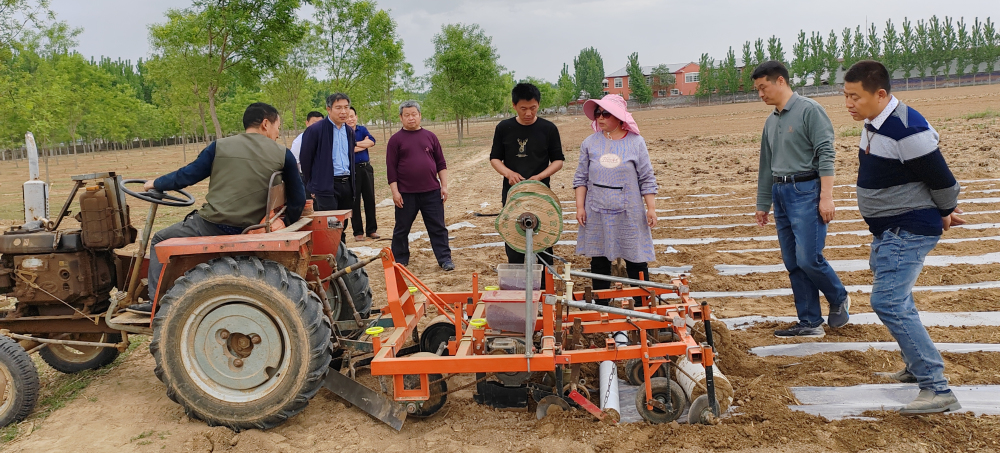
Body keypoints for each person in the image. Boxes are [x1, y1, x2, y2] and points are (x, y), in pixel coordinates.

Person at [843, 60, 964, 415]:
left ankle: (937, 387)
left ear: (880, 94)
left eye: (855, 97)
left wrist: (945, 209)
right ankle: (915, 367)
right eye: (846, 96)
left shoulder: (907, 130)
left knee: (889, 302)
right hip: (891, 228)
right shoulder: (874, 122)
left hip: (907, 229)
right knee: (900, 299)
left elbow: (943, 180)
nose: (848, 103)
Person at [130, 103, 305, 313]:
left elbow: (187, 175)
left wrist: (156, 183)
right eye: (278, 126)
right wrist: (284, 223)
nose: (278, 133)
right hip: (255, 228)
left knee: (160, 239)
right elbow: (298, 199)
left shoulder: (219, 146)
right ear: (266, 124)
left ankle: (156, 304)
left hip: (212, 225)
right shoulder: (283, 153)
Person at [751, 60, 850, 338]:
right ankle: (809, 321)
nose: (760, 94)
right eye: (757, 89)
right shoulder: (771, 121)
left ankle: (839, 296)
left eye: (763, 87)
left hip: (806, 191)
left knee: (808, 258)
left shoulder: (810, 110)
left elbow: (826, 154)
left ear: (781, 81)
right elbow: (766, 165)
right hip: (780, 192)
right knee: (793, 261)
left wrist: (826, 197)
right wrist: (763, 203)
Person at [573, 94, 657, 306]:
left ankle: (643, 306)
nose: (600, 118)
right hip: (597, 210)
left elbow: (646, 177)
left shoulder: (636, 143)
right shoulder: (589, 144)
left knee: (636, 259)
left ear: (620, 117)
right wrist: (580, 207)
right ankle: (601, 308)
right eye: (597, 113)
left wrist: (651, 208)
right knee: (599, 260)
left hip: (629, 211)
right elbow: (581, 178)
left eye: (606, 114)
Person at [490, 82, 564, 277]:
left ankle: (545, 282)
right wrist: (508, 173)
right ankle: (517, 281)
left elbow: (558, 160)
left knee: (543, 239)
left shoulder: (548, 128)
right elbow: (495, 158)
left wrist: (540, 177)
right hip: (513, 193)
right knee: (514, 238)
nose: (529, 113)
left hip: (541, 194)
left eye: (533, 108)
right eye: (523, 108)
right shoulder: (504, 128)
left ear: (538, 104)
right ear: (514, 106)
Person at [386, 100, 454, 271]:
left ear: (420, 115)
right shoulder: (395, 140)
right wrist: (395, 192)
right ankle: (400, 259)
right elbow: (391, 169)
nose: (411, 118)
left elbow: (441, 163)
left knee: (438, 227)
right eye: (407, 115)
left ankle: (445, 259)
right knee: (401, 228)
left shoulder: (430, 137)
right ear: (401, 117)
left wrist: (444, 186)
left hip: (432, 191)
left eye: (414, 114)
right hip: (406, 193)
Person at [300, 93, 357, 216]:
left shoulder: (349, 131)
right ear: (329, 109)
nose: (343, 112)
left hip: (346, 183)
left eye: (346, 107)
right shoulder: (315, 130)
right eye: (338, 108)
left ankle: (341, 231)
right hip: (326, 185)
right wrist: (312, 184)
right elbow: (305, 159)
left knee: (343, 219)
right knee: (331, 221)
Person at [348, 106, 379, 242]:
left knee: (370, 199)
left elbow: (371, 142)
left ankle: (371, 230)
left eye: (352, 116)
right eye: (347, 117)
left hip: (366, 168)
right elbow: (347, 149)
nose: (350, 119)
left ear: (356, 117)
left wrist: (355, 144)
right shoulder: (342, 132)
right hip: (352, 170)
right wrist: (363, 144)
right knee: (354, 201)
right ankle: (358, 232)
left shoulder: (362, 129)